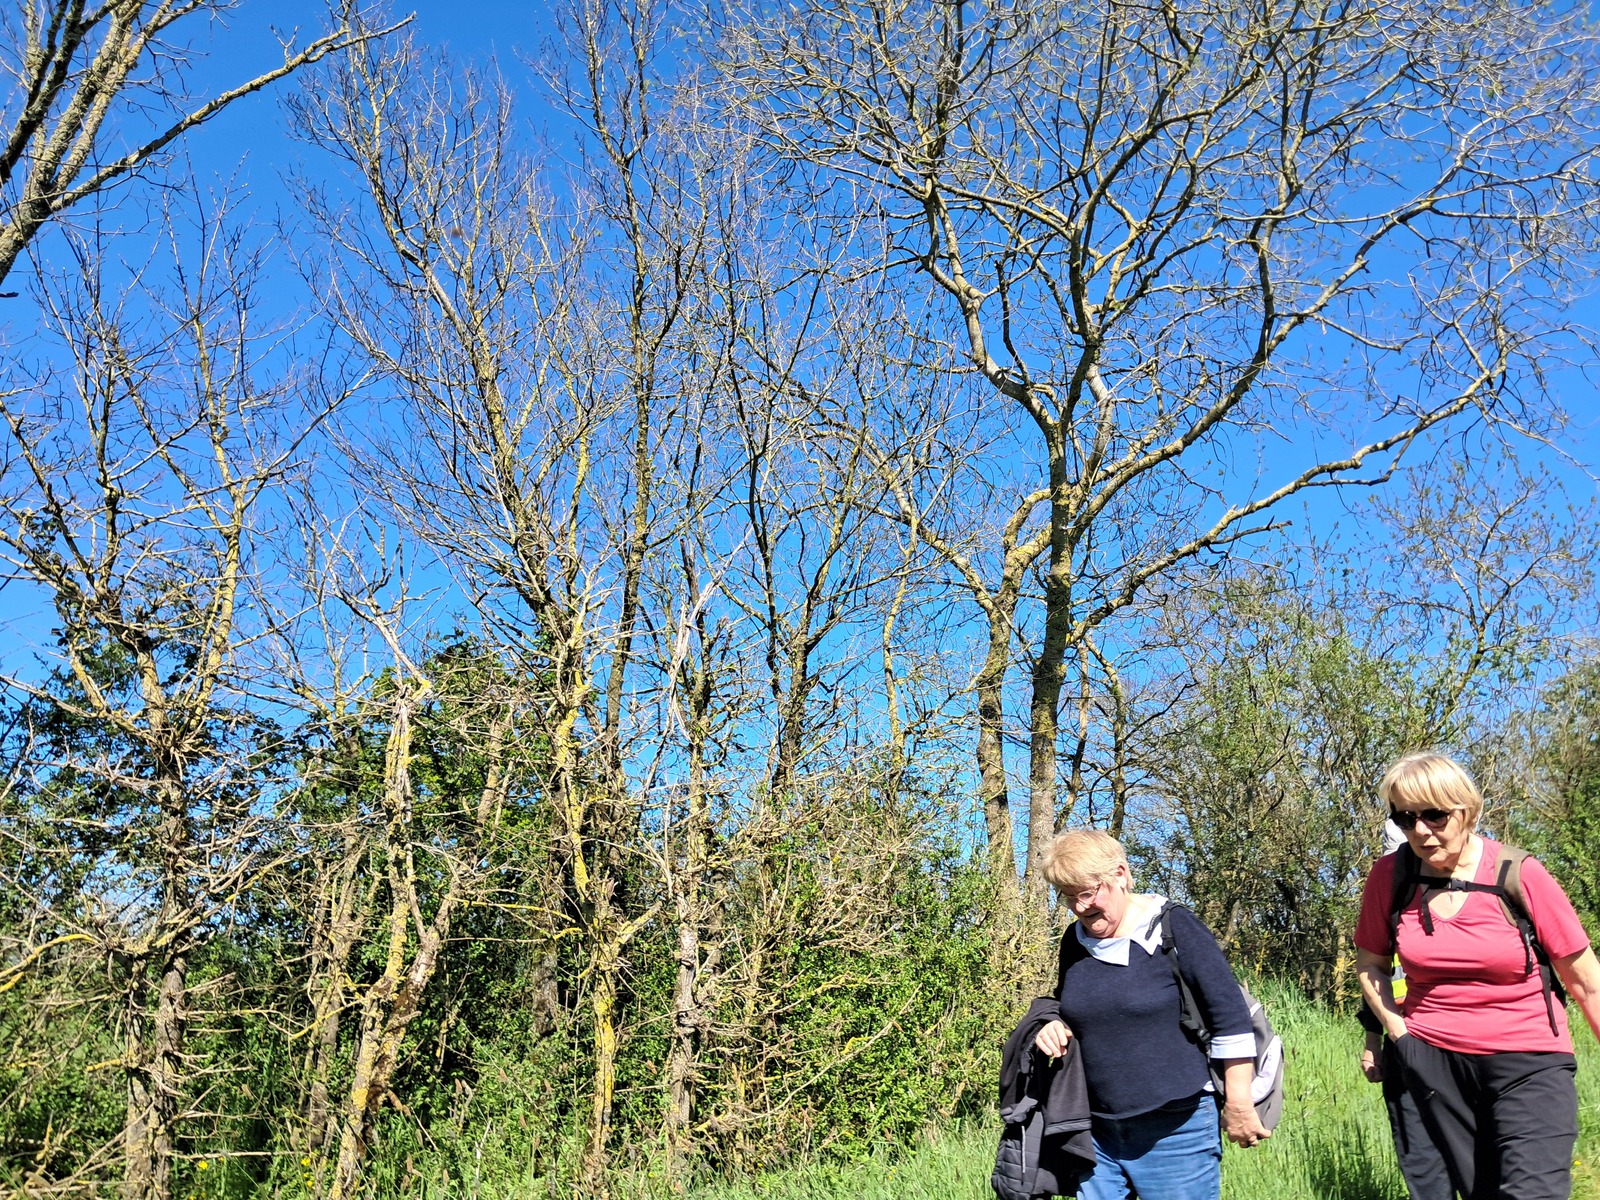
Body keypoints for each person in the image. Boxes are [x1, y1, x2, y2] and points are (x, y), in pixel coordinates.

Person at [1355, 751, 1600, 1200]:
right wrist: (1397, 1033)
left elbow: (1586, 980)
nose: (1420, 831)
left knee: (1534, 1192)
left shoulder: (1518, 874)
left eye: (1434, 815)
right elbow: (1371, 963)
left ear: (1466, 811)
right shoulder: (1391, 877)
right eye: (1406, 819)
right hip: (1432, 1060)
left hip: (1528, 1060)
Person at [1033, 829, 1270, 1200]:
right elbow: (1074, 1008)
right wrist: (1052, 1024)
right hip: (1095, 1130)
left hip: (1175, 1128)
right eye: (1067, 896)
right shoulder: (1073, 942)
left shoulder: (1174, 927)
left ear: (1121, 874)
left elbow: (1229, 1018)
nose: (1079, 907)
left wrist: (1239, 1103)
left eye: (1087, 892)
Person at [1357, 814, 1452, 1200]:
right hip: (1404, 1041)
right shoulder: (1388, 898)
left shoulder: (1464, 893)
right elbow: (1373, 975)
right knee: (1420, 1155)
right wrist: (1373, 1042)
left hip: (1462, 1039)